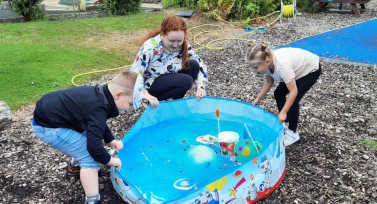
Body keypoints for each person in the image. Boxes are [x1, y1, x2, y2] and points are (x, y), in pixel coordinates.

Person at [32, 70, 137, 204]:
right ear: (119, 95)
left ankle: (75, 167)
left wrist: (110, 140)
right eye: (130, 104)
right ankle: (92, 200)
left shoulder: (100, 95)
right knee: (90, 157)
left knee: (89, 135)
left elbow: (97, 123)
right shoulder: (99, 110)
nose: (130, 109)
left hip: (52, 115)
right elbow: (94, 148)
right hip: (49, 127)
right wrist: (110, 161)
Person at [246, 44, 321, 145]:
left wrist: (284, 112)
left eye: (255, 67)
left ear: (267, 61)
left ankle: (293, 134)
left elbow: (293, 91)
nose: (254, 71)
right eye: (251, 67)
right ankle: (286, 122)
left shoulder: (281, 66)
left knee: (293, 100)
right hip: (295, 70)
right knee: (278, 93)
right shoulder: (268, 63)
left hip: (310, 70)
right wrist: (258, 98)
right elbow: (269, 81)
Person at [131, 16, 208, 109]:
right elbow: (135, 74)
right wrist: (145, 95)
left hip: (170, 77)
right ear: (163, 35)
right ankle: (159, 105)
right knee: (186, 81)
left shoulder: (184, 45)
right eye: (171, 41)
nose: (175, 45)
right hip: (152, 85)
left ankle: (173, 103)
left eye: (179, 41)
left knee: (194, 65)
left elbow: (200, 64)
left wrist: (201, 86)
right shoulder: (150, 47)